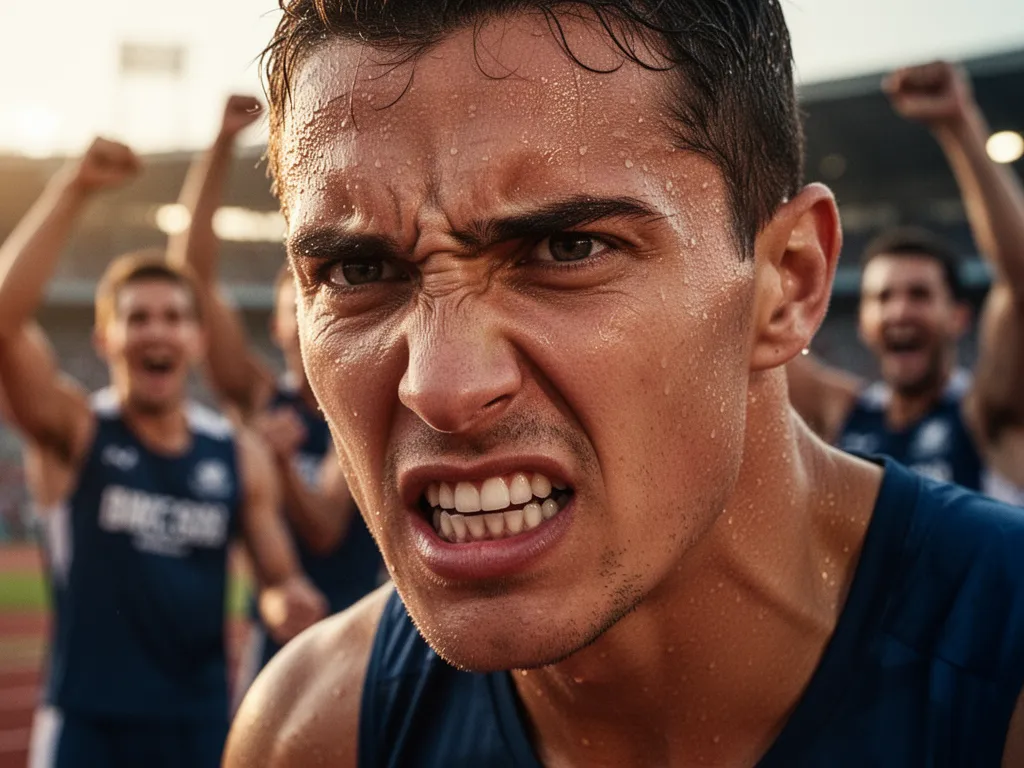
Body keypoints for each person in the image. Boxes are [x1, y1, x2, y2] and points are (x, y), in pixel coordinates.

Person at [226, 2, 1024, 765]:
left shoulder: (999, 666)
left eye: (567, 249)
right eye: (357, 269)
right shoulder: (315, 732)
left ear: (788, 281)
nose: (441, 386)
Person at [0, 138, 327, 768]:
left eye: (174, 317)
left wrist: (289, 602)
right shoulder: (76, 431)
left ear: (197, 341)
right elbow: (6, 326)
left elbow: (277, 578)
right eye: (138, 317)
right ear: (106, 338)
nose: (157, 330)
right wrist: (73, 189)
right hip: (88, 727)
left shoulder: (235, 453)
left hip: (198, 725)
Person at [168, 95, 384, 700]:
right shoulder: (258, 395)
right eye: (294, 303)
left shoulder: (367, 398)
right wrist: (218, 147)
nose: (308, 314)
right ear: (277, 326)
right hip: (278, 647)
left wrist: (282, 460)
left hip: (364, 643)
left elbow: (323, 528)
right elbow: (190, 279)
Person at [787, 61, 1024, 501]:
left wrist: (959, 124)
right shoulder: (842, 412)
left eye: (919, 294)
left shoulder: (985, 415)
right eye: (882, 297)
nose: (899, 310)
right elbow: (751, 327)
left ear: (958, 316)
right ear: (862, 322)